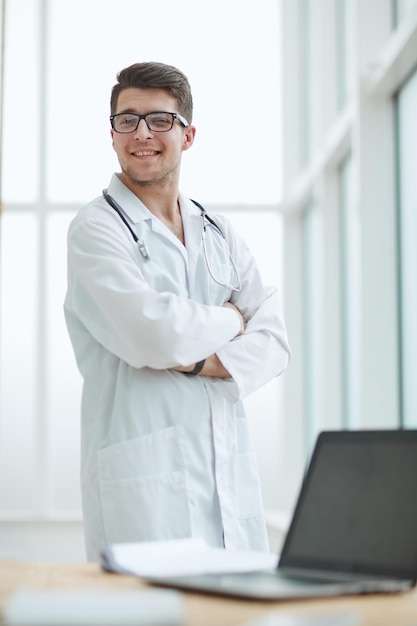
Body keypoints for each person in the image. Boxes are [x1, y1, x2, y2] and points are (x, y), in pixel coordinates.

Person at [64, 61, 291, 562]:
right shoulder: (96, 229)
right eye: (128, 120)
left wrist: (193, 359)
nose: (142, 133)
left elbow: (275, 341)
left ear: (187, 135)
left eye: (159, 119)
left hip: (226, 476)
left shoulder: (219, 231)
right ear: (113, 134)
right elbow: (153, 334)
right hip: (145, 491)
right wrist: (233, 322)